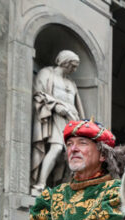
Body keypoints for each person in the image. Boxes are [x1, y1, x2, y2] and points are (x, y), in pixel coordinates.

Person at [31, 50, 85, 195]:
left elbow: (78, 106)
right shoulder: (47, 74)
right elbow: (39, 93)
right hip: (55, 117)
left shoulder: (71, 83)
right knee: (56, 149)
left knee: (68, 157)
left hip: (72, 121)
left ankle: (60, 189)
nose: (74, 70)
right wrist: (57, 106)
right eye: (72, 66)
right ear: (64, 62)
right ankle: (40, 185)